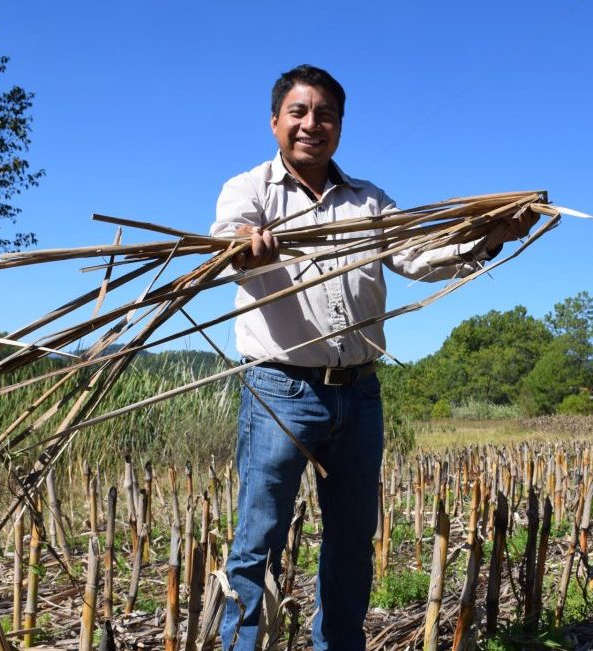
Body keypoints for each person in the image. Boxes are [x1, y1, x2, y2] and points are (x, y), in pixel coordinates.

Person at [210, 64, 533, 650]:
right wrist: (245, 250)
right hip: (279, 391)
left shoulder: (370, 201)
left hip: (358, 394)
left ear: (340, 125)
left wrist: (490, 236)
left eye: (326, 114)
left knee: (352, 540)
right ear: (275, 122)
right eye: (299, 113)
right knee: (258, 541)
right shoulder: (248, 190)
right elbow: (230, 243)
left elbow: (418, 256)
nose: (312, 124)